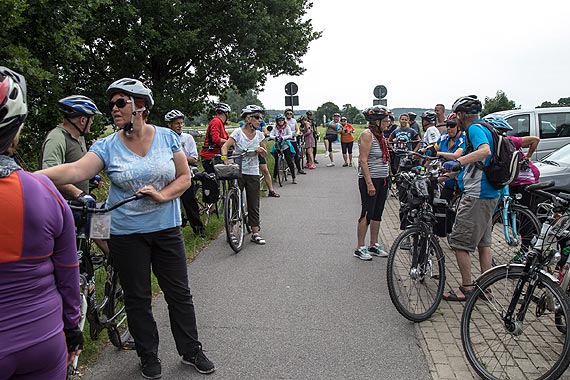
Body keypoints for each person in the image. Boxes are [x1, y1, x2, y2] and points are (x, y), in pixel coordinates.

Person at [39, 78, 215, 378]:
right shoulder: (106, 145)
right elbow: (75, 170)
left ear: (141, 106)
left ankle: (191, 349)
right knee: (137, 297)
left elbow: (185, 177)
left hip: (166, 229)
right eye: (112, 105)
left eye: (121, 102)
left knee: (179, 294)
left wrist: (162, 195)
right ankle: (148, 355)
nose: (114, 109)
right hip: (126, 233)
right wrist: (24, 177)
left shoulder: (166, 138)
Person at [0, 67, 83, 379]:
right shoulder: (43, 192)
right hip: (42, 337)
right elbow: (67, 271)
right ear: (15, 127)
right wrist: (73, 328)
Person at [442, 95, 500, 302]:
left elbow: (484, 152)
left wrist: (458, 162)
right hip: (490, 194)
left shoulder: (474, 129)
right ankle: (486, 288)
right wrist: (450, 174)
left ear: (460, 115)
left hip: (477, 196)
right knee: (484, 243)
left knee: (459, 243)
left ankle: (466, 289)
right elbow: (477, 165)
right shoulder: (486, 127)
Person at [221, 105, 268, 244]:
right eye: (257, 117)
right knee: (234, 201)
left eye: (261, 118)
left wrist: (261, 150)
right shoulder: (238, 133)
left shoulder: (259, 135)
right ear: (248, 119)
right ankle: (231, 231)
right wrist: (225, 160)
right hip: (238, 171)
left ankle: (255, 232)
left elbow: (265, 153)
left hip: (253, 171)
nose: (260, 120)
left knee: (253, 202)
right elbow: (224, 147)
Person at [41, 95, 102, 200]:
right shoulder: (57, 139)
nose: (92, 122)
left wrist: (89, 178)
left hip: (78, 207)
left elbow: (76, 166)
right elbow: (49, 176)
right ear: (83, 120)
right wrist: (78, 194)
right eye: (91, 118)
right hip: (63, 207)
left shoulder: (79, 137)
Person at [354, 105, 392, 261]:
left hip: (382, 179)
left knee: (378, 213)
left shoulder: (380, 135)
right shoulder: (367, 135)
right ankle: (360, 246)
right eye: (385, 120)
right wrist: (369, 183)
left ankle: (373, 244)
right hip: (370, 179)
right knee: (367, 213)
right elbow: (363, 160)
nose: (388, 122)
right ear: (376, 121)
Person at [483, 114, 540, 208]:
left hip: (526, 179)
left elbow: (535, 140)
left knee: (524, 212)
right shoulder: (491, 144)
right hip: (511, 178)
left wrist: (528, 157)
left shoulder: (509, 141)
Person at [165, 109, 206, 237]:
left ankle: (199, 230)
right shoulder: (164, 138)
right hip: (169, 175)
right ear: (169, 124)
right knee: (168, 205)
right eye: (176, 123)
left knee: (190, 202)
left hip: (184, 174)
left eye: (181, 123)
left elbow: (194, 159)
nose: (179, 125)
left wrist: (178, 156)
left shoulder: (187, 138)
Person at [434, 113, 466, 201]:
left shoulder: (464, 139)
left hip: (460, 181)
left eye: (451, 125)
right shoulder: (443, 138)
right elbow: (434, 150)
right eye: (447, 125)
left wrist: (438, 154)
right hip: (447, 180)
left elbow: (456, 156)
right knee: (441, 207)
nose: (448, 128)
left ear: (459, 126)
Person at [200, 103, 231, 174]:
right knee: (213, 181)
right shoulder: (216, 121)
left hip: (218, 155)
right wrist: (229, 142)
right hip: (210, 157)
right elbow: (216, 139)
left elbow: (229, 138)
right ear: (226, 113)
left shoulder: (221, 124)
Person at [270, 113, 297, 184]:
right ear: (277, 121)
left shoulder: (287, 127)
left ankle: (293, 177)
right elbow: (271, 135)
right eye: (279, 120)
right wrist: (275, 137)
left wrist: (283, 138)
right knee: (276, 161)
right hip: (278, 145)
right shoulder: (275, 127)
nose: (281, 121)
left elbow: (290, 135)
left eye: (282, 120)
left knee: (289, 160)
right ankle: (274, 177)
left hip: (285, 145)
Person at [284, 108, 306, 175]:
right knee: (287, 155)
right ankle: (288, 168)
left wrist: (297, 133)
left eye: (290, 113)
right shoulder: (283, 120)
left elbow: (297, 129)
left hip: (293, 139)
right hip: (286, 139)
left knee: (296, 154)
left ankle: (299, 169)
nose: (289, 115)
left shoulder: (294, 121)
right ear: (285, 114)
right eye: (287, 114)